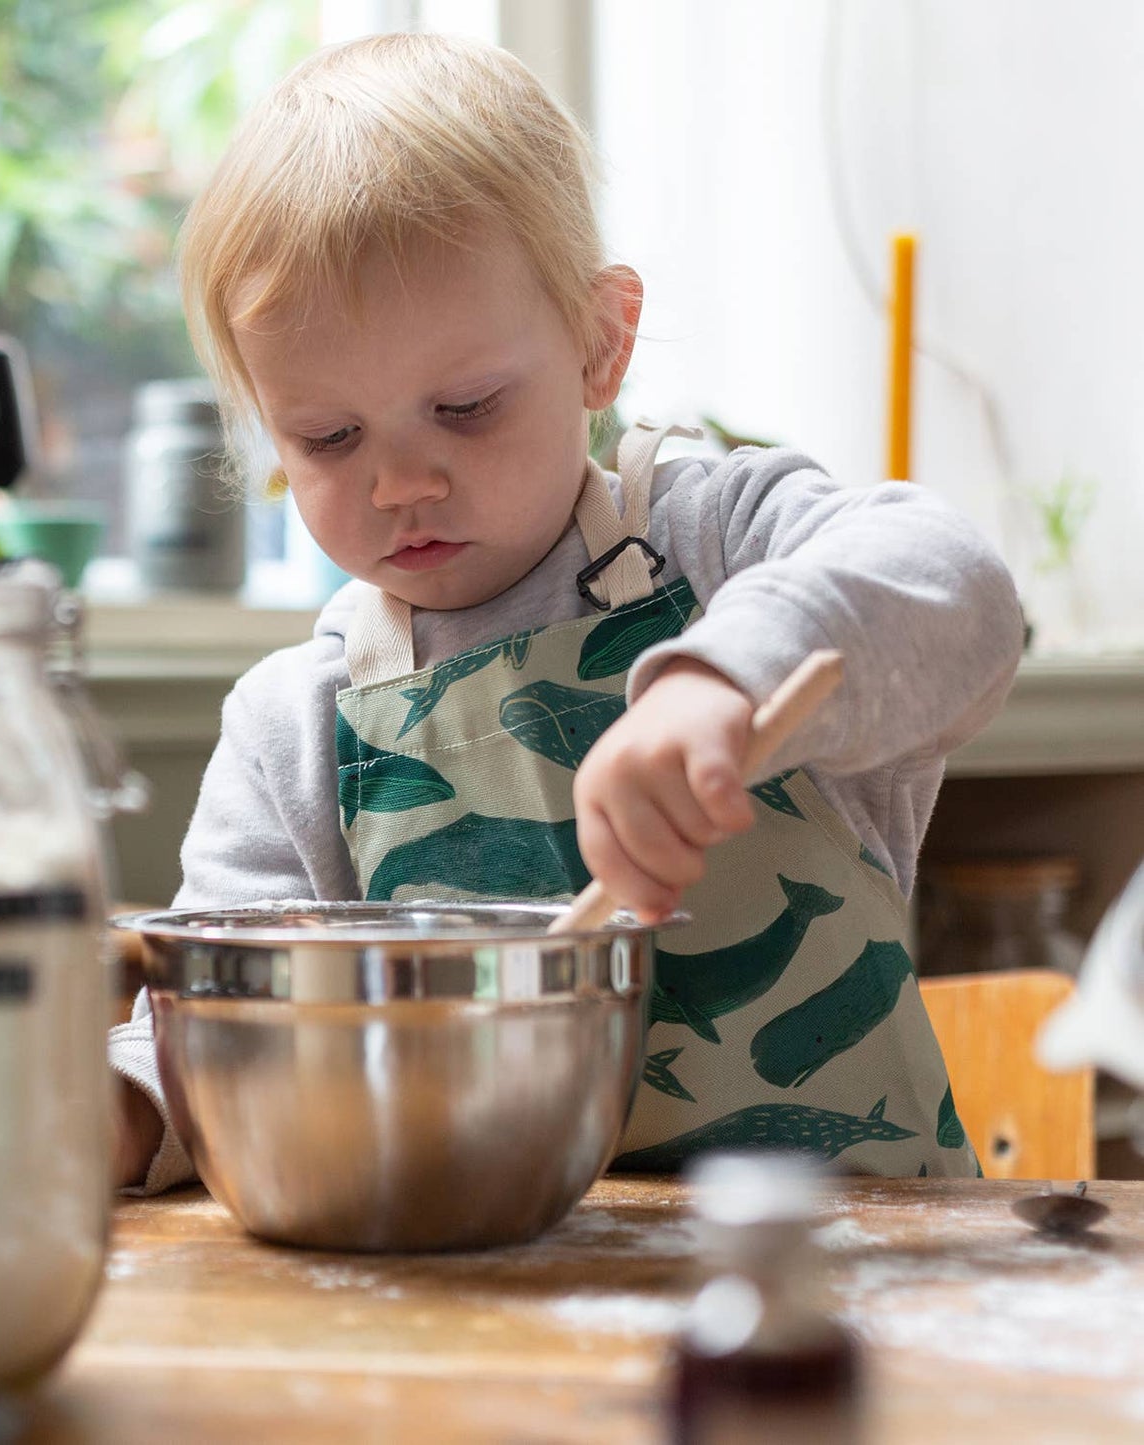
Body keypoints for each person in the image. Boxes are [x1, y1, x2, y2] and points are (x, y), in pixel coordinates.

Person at [108, 31, 1024, 1192]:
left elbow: (957, 587)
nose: (399, 481)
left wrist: (725, 678)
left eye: (467, 406)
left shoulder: (711, 538)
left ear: (600, 344)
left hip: (847, 1273)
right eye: (327, 438)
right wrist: (121, 1108)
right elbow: (216, 1022)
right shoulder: (301, 718)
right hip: (505, 1300)